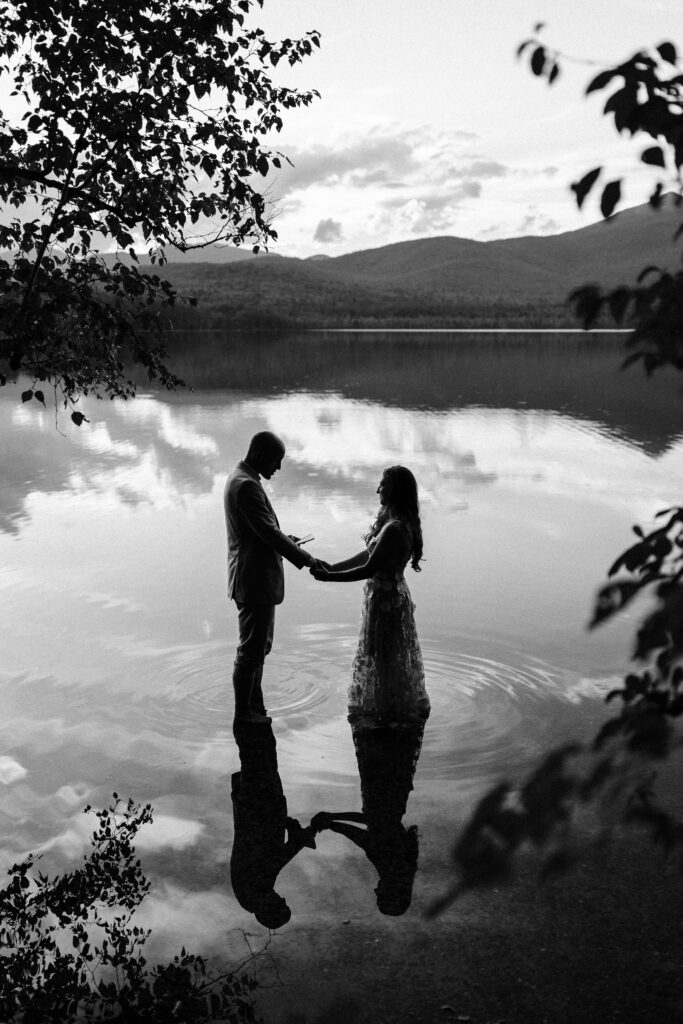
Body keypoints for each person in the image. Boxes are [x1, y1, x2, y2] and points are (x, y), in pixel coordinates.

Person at [310, 465, 430, 724]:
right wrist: (332, 566)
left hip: (387, 601)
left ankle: (387, 711)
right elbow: (369, 555)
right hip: (387, 598)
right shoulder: (394, 524)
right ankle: (388, 708)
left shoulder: (395, 528)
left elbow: (368, 568)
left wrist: (329, 577)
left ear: (394, 489)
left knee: (384, 657)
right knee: (384, 654)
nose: (378, 490)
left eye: (382, 485)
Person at [225, 431, 322, 724]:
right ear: (259, 454)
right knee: (250, 651)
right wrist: (307, 559)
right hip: (254, 580)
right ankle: (244, 713)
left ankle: (253, 704)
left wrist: (286, 540)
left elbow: (261, 531)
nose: (278, 468)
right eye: (276, 460)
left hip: (254, 578)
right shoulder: (247, 486)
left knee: (259, 648)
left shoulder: (241, 479)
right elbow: (268, 533)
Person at [231, 720, 328, 928]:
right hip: (256, 807)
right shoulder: (251, 896)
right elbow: (277, 856)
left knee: (257, 752)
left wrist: (304, 836)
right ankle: (254, 714)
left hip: (259, 804)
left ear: (270, 908)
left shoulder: (255, 891)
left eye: (280, 902)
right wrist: (295, 833)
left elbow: (278, 858)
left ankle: (249, 714)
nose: (281, 897)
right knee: (257, 751)